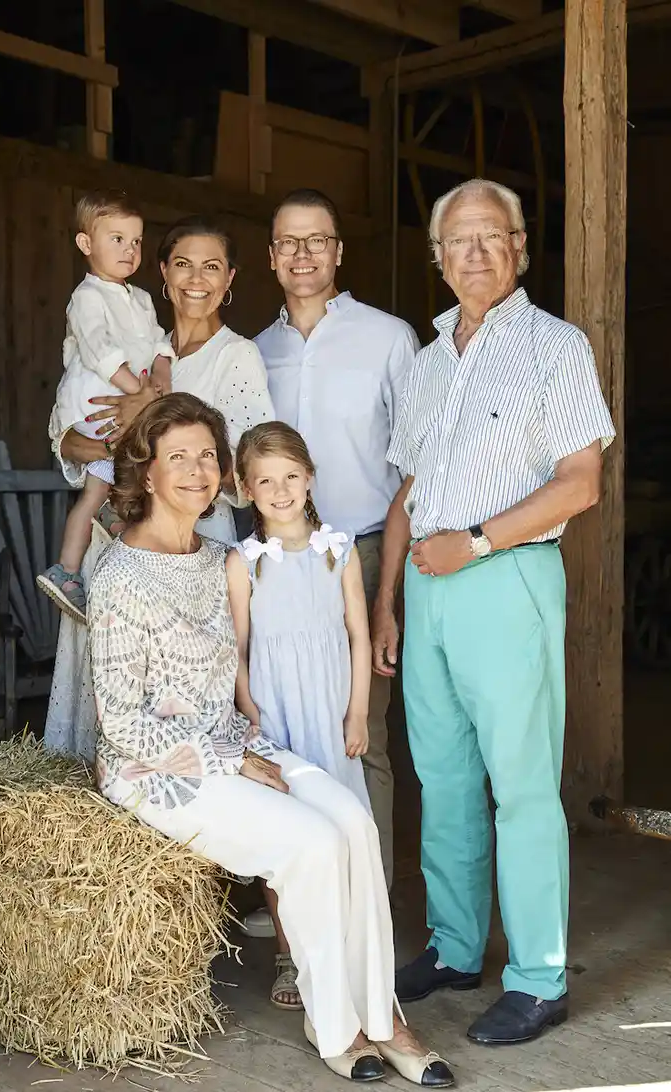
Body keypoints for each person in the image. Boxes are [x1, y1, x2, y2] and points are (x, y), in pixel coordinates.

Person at [88, 392, 454, 1089]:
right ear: (147, 472)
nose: (196, 470)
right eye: (177, 457)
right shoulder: (119, 575)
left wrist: (245, 744)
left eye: (207, 455)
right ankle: (336, 1025)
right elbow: (122, 723)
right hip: (157, 771)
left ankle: (385, 1018)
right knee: (310, 843)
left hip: (235, 742)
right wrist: (229, 758)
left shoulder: (218, 557)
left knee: (355, 824)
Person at [372, 178, 616, 1046]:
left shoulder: (556, 346)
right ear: (437, 258)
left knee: (520, 786)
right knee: (442, 781)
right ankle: (454, 948)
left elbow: (581, 483)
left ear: (519, 245)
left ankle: (540, 979)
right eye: (458, 241)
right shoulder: (429, 360)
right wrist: (388, 601)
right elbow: (407, 492)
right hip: (427, 590)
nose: (475, 253)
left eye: (491, 237)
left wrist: (473, 543)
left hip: (505, 578)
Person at [43, 216, 273, 761]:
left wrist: (156, 431)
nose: (196, 279)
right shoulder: (136, 349)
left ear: (229, 279)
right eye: (183, 264)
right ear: (163, 274)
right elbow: (64, 437)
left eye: (211, 267)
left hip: (194, 546)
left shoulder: (237, 355)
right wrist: (110, 442)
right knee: (107, 691)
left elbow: (248, 470)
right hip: (114, 544)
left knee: (179, 694)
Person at [249, 187, 419, 905]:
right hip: (276, 558)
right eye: (289, 242)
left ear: (339, 251)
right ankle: (299, 900)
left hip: (367, 551)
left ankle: (368, 899)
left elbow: (416, 465)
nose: (303, 254)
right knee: (281, 725)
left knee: (362, 729)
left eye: (316, 240)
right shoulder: (255, 352)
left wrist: (388, 595)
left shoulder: (389, 338)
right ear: (271, 257)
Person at [226, 421, 372, 1009]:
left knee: (341, 829)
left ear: (309, 477)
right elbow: (237, 649)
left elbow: (359, 636)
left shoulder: (339, 550)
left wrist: (358, 713)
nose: (280, 490)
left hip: (330, 714)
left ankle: (345, 952)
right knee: (286, 838)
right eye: (265, 481)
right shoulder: (244, 562)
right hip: (277, 719)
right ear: (246, 489)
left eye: (290, 476)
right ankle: (290, 959)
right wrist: (250, 712)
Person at [37, 190, 175, 623]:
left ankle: (107, 527)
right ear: (86, 244)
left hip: (128, 405)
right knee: (118, 475)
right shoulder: (87, 296)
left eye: (136, 241)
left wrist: (161, 372)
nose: (129, 249)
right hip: (98, 404)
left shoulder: (142, 299)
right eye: (117, 239)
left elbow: (158, 343)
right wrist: (140, 394)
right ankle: (71, 565)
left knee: (118, 476)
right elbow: (100, 351)